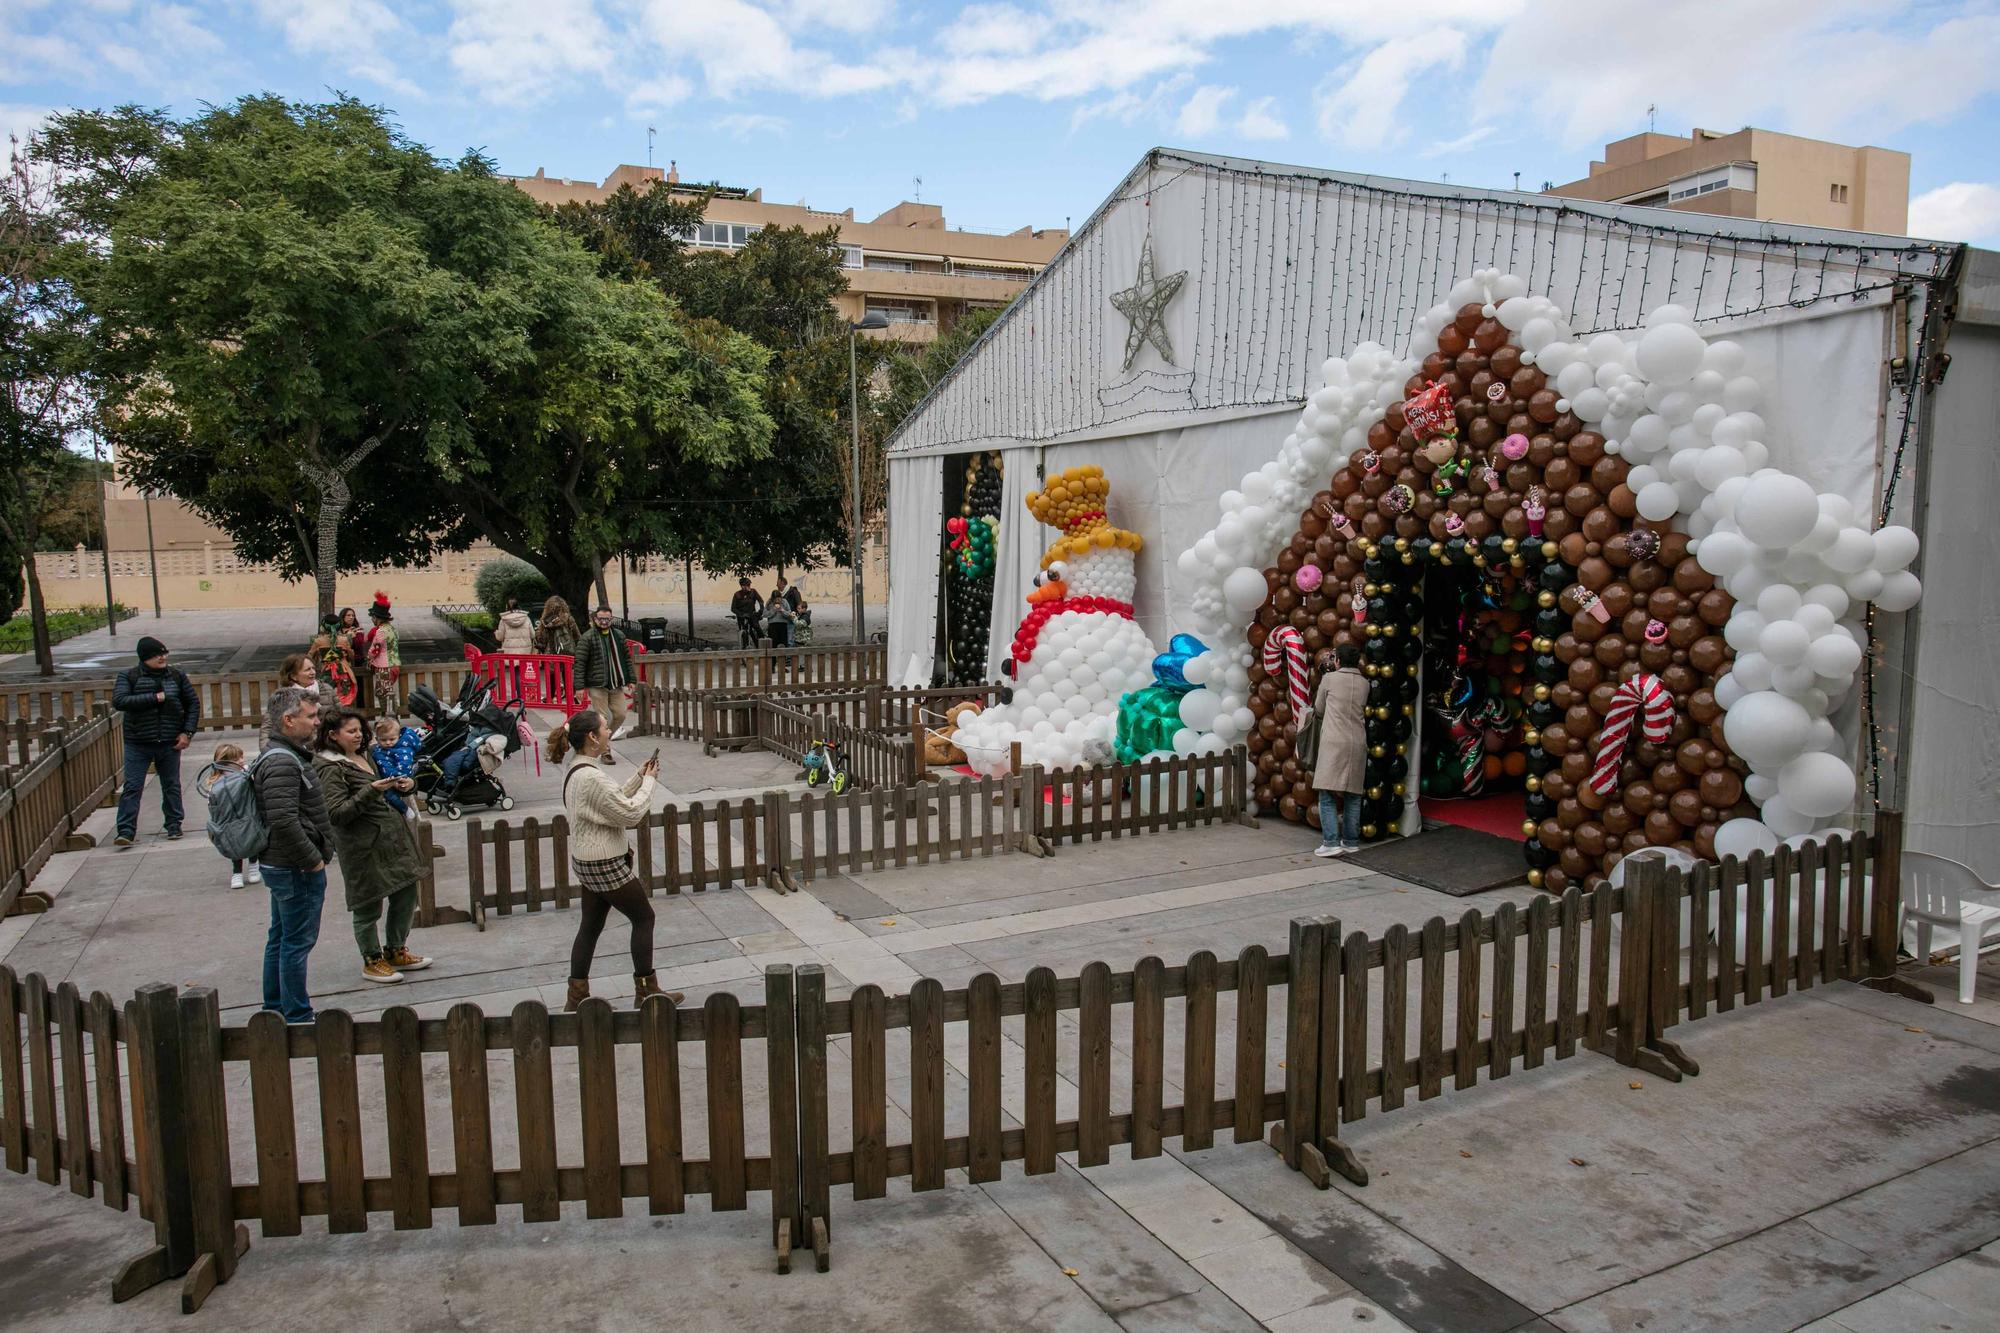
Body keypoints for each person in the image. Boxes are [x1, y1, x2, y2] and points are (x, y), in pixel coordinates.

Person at [549, 710, 679, 1011]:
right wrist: (649, 783)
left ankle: (576, 996)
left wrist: (638, 776)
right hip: (604, 863)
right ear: (593, 737)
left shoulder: (578, 769)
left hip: (585, 861)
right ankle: (646, 991)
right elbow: (630, 812)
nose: (609, 732)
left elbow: (612, 800)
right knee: (644, 917)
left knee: (590, 926)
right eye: (606, 728)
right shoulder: (592, 777)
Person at [315, 708, 432, 984]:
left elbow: (392, 785)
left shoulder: (369, 754)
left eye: (359, 730)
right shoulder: (329, 766)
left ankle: (396, 949)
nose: (358, 736)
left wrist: (406, 785)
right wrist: (372, 790)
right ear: (333, 735)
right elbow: (336, 813)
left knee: (406, 893)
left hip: (392, 837)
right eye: (351, 732)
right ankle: (371, 959)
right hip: (362, 845)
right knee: (368, 905)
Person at [255, 686, 335, 1024]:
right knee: (296, 942)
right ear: (288, 721)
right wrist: (313, 860)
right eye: (311, 716)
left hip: (284, 864)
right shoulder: (282, 762)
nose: (317, 723)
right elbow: (284, 819)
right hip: (293, 866)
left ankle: (275, 1005)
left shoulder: (281, 753)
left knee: (281, 937)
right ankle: (297, 1013)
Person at [112, 636, 202, 845]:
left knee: (171, 785)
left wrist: (187, 732)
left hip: (169, 740)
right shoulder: (129, 676)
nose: (162, 658)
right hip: (138, 741)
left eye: (164, 653)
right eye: (156, 655)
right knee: (133, 786)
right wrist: (154, 698)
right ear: (145, 658)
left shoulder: (177, 676)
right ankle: (125, 831)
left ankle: (174, 824)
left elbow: (192, 704)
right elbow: (120, 700)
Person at [1311, 643, 1369, 858]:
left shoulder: (1329, 679)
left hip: (1334, 741)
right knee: (1353, 793)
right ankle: (1351, 841)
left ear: (1338, 661)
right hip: (1358, 741)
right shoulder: (1365, 684)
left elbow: (1319, 709)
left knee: (1326, 793)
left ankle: (1331, 842)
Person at [571, 606, 634, 758]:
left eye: (607, 619)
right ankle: (605, 751)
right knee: (602, 718)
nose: (604, 622)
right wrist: (579, 687)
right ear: (595, 619)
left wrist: (631, 679)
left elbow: (627, 659)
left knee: (620, 714)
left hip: (615, 683)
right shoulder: (587, 637)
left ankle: (602, 740)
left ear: (611, 619)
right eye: (601, 619)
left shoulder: (618, 636)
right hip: (596, 684)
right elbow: (580, 662)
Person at [199, 742, 260, 888]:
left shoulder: (244, 773)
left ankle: (253, 866)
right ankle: (237, 872)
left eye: (241, 757)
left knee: (253, 838)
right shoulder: (217, 781)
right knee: (234, 843)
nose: (241, 761)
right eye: (236, 759)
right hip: (229, 818)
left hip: (247, 813)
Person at [261, 653, 338, 751]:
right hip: (298, 748)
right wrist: (268, 750)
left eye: (313, 668)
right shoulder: (284, 696)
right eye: (307, 670)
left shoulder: (326, 689)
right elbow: (268, 727)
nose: (312, 672)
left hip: (326, 747)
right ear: (293, 676)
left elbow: (341, 717)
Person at [371, 716, 423, 816]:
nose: (388, 743)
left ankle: (405, 809)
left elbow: (405, 764)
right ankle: (404, 809)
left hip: (398, 779)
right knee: (389, 795)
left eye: (392, 739)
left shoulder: (403, 748)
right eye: (383, 740)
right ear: (377, 739)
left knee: (391, 795)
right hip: (387, 780)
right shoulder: (377, 751)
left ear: (399, 736)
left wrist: (399, 778)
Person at [363, 591, 400, 714]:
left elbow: (374, 650)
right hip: (394, 664)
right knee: (384, 691)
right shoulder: (392, 629)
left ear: (377, 618)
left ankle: (390, 718)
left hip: (384, 666)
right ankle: (390, 716)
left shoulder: (381, 632)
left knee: (385, 693)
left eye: (373, 617)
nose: (372, 620)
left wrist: (368, 658)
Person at [730, 577, 764, 648]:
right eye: (747, 585)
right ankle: (744, 646)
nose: (748, 587)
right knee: (744, 631)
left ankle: (763, 641)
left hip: (752, 614)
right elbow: (733, 608)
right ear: (742, 586)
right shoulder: (737, 594)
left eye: (749, 585)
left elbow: (761, 601)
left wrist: (761, 610)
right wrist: (741, 614)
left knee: (756, 627)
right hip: (742, 616)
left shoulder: (753, 591)